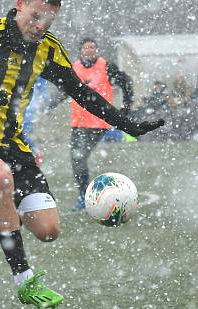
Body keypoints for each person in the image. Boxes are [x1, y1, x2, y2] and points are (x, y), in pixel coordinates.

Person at [0, 0, 164, 309]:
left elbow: (82, 93)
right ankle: (23, 278)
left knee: (48, 231)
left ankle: (2, 205)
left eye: (48, 19)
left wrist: (126, 123)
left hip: (12, 145)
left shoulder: (48, 48)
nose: (41, 25)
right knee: (0, 177)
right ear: (20, 5)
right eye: (36, 16)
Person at [63, 38, 135, 210]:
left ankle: (85, 197)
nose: (89, 50)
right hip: (78, 123)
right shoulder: (74, 68)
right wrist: (48, 105)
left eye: (92, 47)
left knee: (79, 158)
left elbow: (126, 82)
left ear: (97, 50)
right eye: (86, 47)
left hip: (98, 122)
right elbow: (64, 89)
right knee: (76, 159)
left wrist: (126, 107)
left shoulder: (106, 66)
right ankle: (84, 195)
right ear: (80, 51)